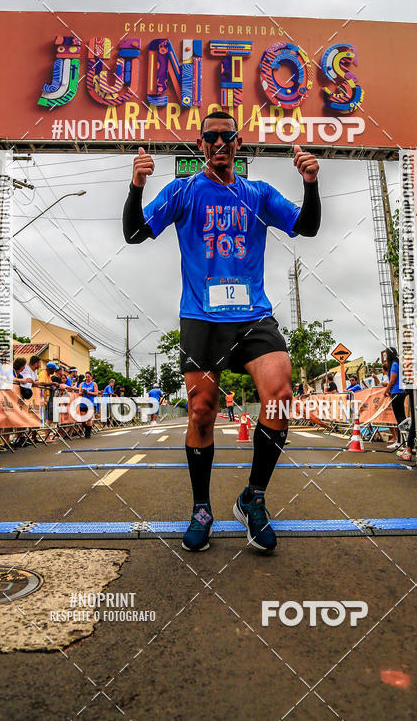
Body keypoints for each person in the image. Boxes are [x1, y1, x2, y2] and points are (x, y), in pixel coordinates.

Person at [123, 109, 321, 552]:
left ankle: (254, 497)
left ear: (237, 143)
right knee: (201, 412)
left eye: (225, 136)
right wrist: (137, 186)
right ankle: (201, 508)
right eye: (209, 137)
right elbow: (135, 232)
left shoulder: (259, 193)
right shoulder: (183, 191)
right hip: (201, 317)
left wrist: (311, 183)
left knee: (281, 397)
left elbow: (306, 226)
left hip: (253, 316)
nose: (218, 144)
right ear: (200, 146)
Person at [381, 348, 407, 453]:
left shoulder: (395, 365)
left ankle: (401, 441)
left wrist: (386, 391)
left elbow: (392, 380)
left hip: (397, 392)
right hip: (398, 391)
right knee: (400, 417)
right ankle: (402, 440)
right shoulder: (397, 364)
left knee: (400, 417)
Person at [78, 371, 98, 438]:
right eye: (86, 377)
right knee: (83, 419)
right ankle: (87, 428)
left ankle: (88, 433)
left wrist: (88, 392)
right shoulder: (82, 384)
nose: (87, 378)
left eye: (88, 377)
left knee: (89, 418)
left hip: (91, 403)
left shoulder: (94, 384)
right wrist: (83, 392)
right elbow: (79, 393)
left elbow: (96, 393)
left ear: (91, 377)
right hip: (83, 403)